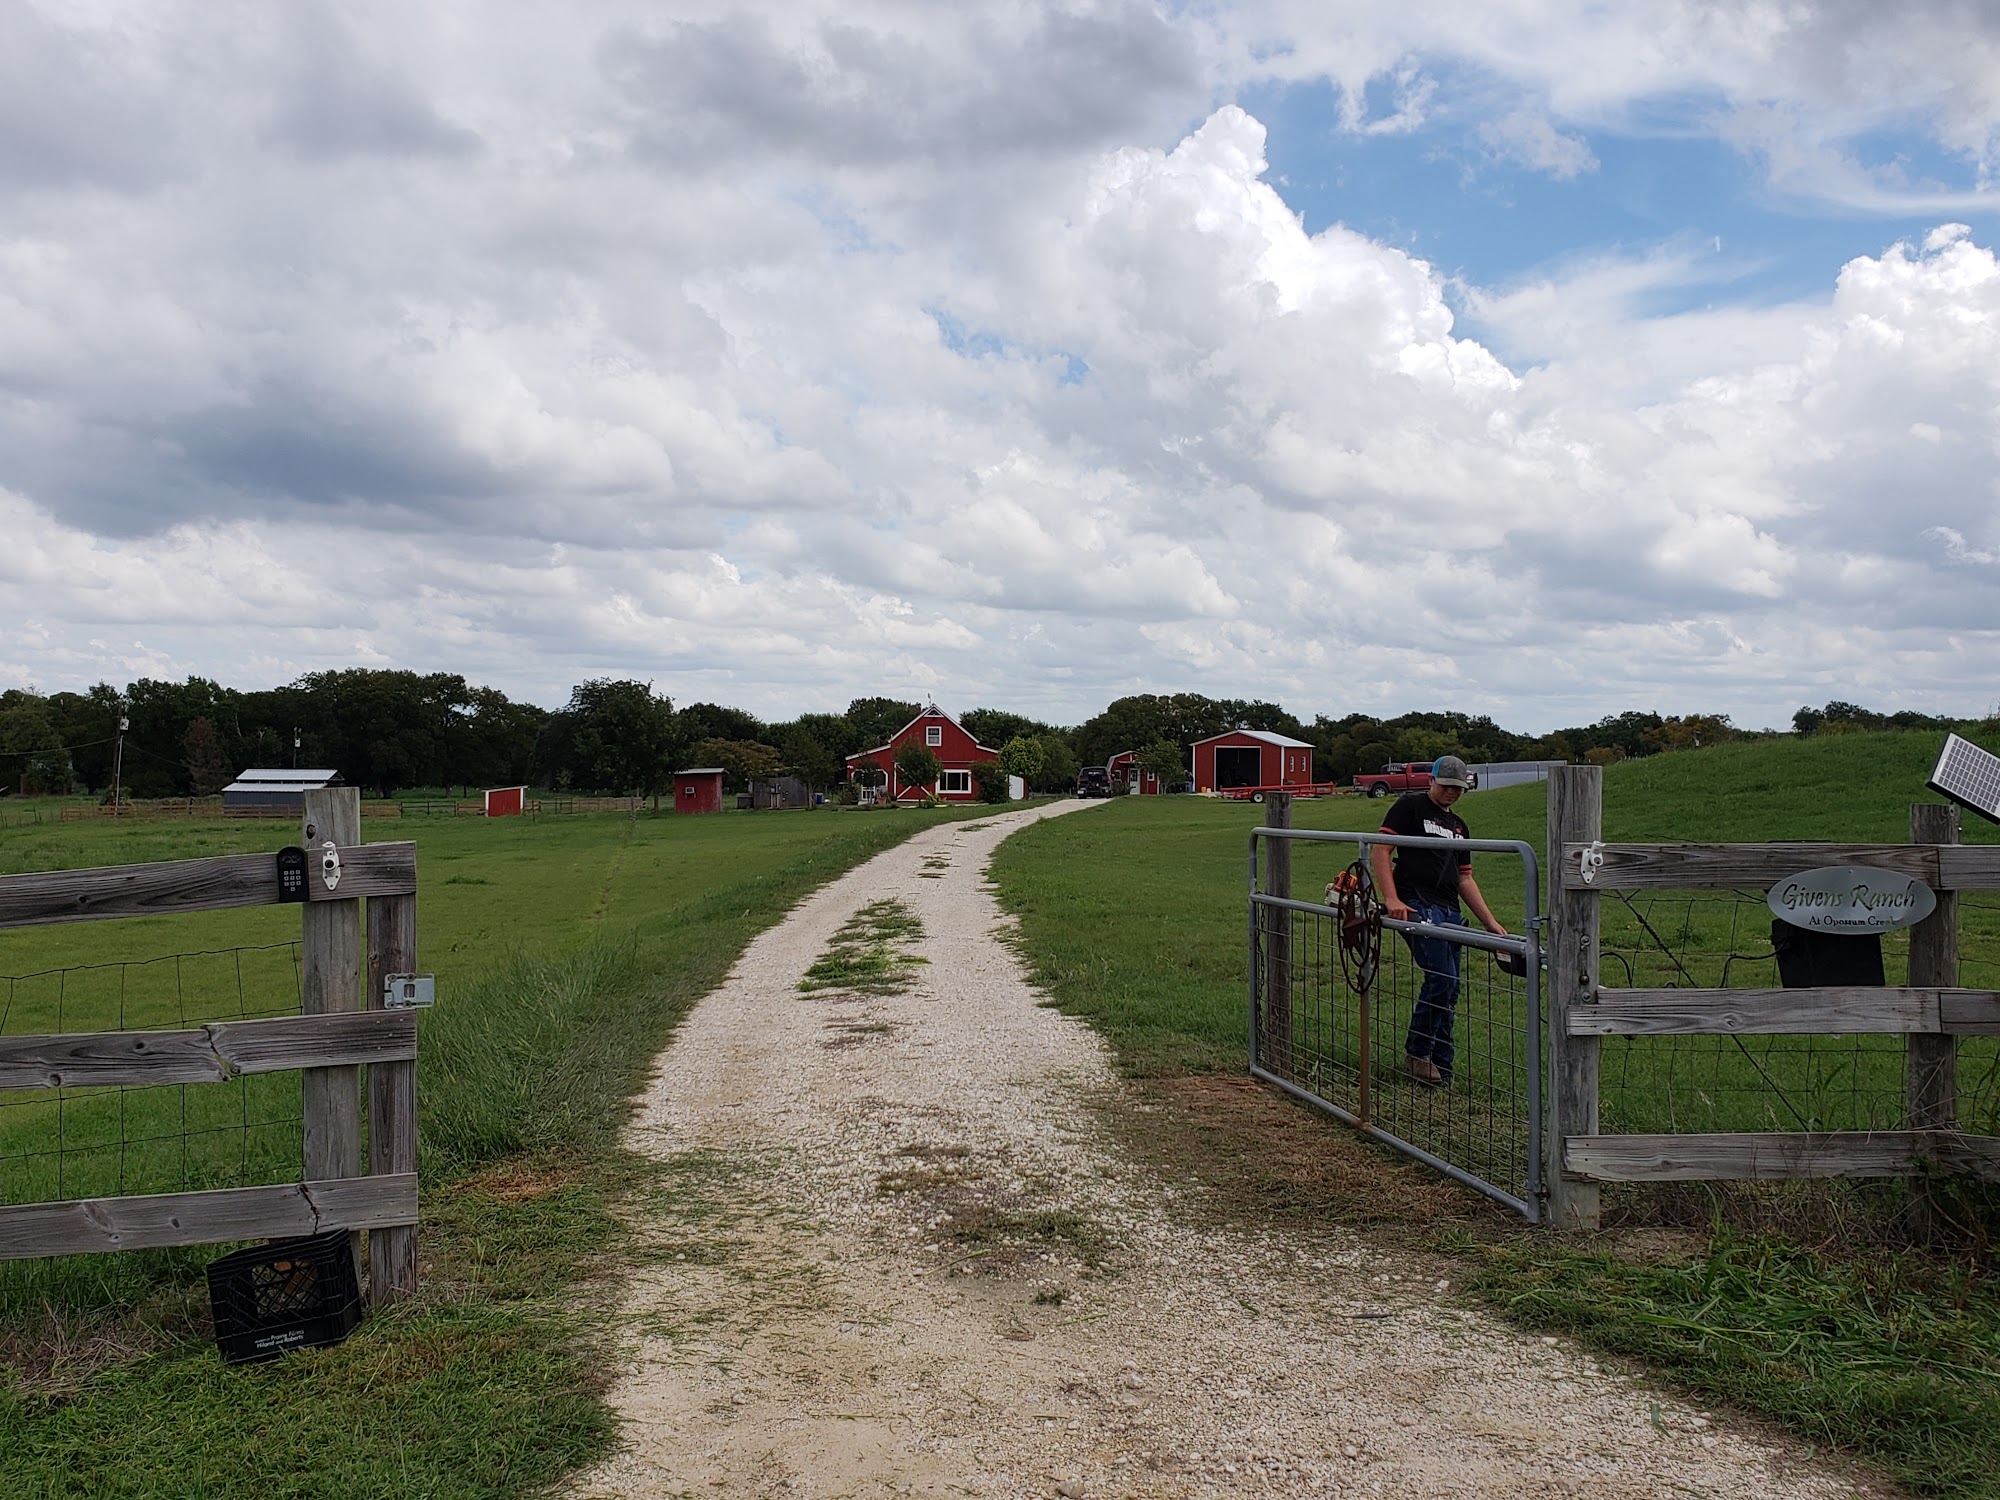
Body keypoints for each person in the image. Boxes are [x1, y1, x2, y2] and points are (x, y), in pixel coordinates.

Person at [1367, 755, 1508, 1086]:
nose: (1451, 793)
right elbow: (1381, 849)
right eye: (1446, 786)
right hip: (1416, 901)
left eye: (1458, 789)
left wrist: (1491, 923)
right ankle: (1418, 1052)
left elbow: (1465, 880)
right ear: (1432, 780)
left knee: (1452, 986)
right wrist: (1392, 898)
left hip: (1449, 910)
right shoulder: (1410, 807)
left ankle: (1442, 1065)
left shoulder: (1460, 827)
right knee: (1442, 979)